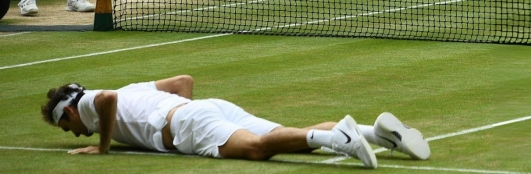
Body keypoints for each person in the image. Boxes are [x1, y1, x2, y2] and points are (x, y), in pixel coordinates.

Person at [39, 75, 429, 166]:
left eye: (66, 127)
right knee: (283, 135)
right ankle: (376, 134)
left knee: (257, 149)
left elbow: (105, 99)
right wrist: (190, 113)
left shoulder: (89, 103)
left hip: (191, 123)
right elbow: (183, 82)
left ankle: (339, 140)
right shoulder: (133, 89)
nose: (73, 134)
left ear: (68, 112)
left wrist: (103, 146)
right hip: (208, 109)